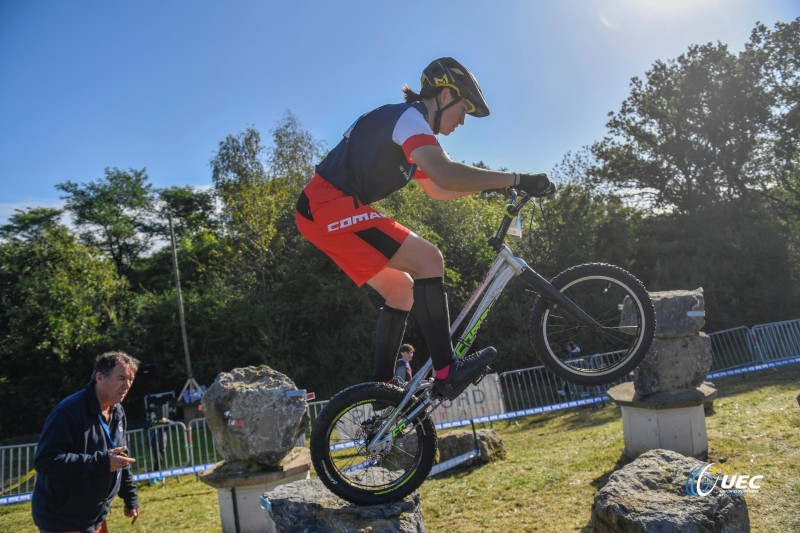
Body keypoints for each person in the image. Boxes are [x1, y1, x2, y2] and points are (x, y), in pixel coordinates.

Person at [295, 57, 553, 401]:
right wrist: (517, 178)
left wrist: (501, 187)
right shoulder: (410, 120)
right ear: (445, 95)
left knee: (401, 290)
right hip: (326, 206)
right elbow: (445, 174)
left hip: (324, 211)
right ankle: (447, 371)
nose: (463, 120)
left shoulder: (410, 130)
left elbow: (438, 188)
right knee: (430, 260)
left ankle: (383, 392)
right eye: (464, 109)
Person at [32, 352, 141, 533]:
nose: (127, 385)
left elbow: (120, 456)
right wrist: (103, 462)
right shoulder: (69, 411)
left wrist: (130, 496)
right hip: (63, 518)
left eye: (131, 379)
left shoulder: (118, 411)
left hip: (95, 516)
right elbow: (46, 461)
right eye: (121, 378)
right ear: (99, 377)